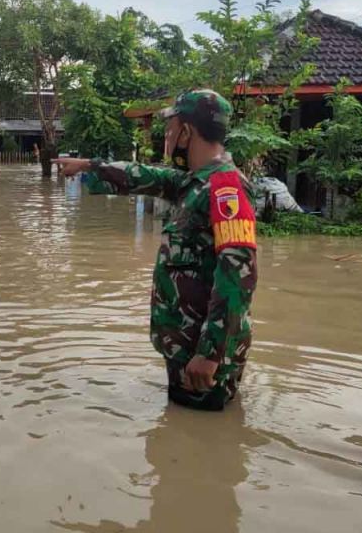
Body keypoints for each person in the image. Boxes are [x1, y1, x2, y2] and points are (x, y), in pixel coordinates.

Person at [58, 89, 257, 411]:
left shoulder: (225, 189)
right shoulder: (194, 183)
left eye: (169, 128)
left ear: (186, 132)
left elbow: (239, 276)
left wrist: (210, 353)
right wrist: (89, 167)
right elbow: (149, 176)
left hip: (202, 356)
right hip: (187, 346)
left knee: (198, 442)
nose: (166, 136)